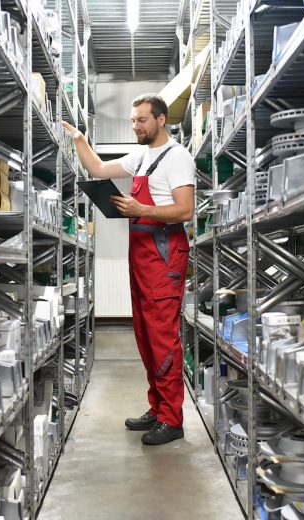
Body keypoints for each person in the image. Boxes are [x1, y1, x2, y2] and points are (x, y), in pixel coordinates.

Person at [63, 93, 195, 445]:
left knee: (162, 338)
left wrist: (140, 208)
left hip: (164, 253)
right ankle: (158, 407)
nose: (135, 126)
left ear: (161, 119)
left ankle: (172, 419)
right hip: (140, 251)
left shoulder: (178, 157)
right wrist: (80, 139)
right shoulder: (140, 155)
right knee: (145, 337)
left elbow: (184, 211)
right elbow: (98, 169)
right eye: (132, 120)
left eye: (141, 120)